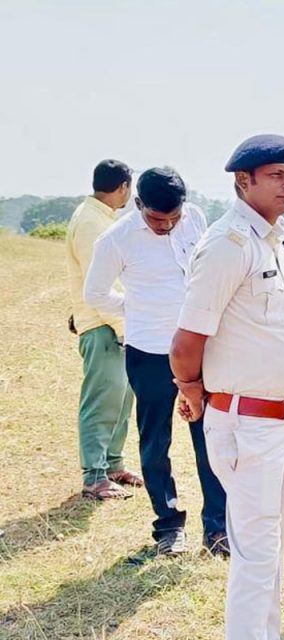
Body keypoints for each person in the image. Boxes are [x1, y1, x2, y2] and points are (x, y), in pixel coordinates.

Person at [170, 135, 284, 639]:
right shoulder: (228, 244)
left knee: (270, 553)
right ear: (243, 181)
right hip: (247, 424)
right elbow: (186, 341)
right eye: (277, 175)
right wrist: (191, 391)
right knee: (254, 557)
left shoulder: (272, 236)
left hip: (281, 422)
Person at [84, 166, 227, 556]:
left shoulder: (195, 217)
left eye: (173, 218)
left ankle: (217, 527)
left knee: (210, 437)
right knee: (155, 441)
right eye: (157, 219)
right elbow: (95, 293)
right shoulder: (116, 239)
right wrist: (135, 308)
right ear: (138, 204)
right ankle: (168, 526)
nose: (166, 226)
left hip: (198, 347)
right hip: (149, 351)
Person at [65, 159, 142, 500]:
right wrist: (121, 327)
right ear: (123, 187)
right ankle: (94, 477)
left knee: (121, 399)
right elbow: (97, 284)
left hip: (117, 323)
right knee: (101, 400)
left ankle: (113, 464)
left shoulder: (101, 218)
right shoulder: (90, 222)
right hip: (103, 324)